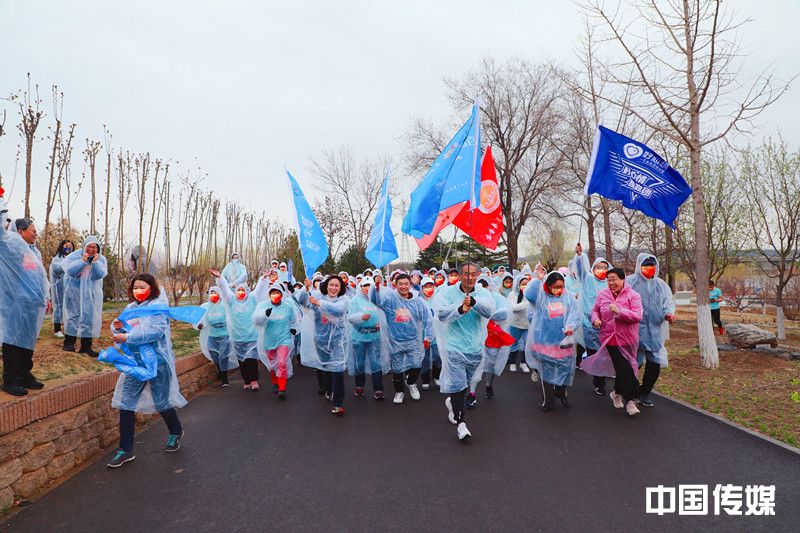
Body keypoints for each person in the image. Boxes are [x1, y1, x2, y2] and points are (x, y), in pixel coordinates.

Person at [106, 274, 186, 468]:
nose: (138, 291)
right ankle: (125, 450)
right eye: (135, 287)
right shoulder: (131, 308)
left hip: (157, 362)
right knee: (126, 403)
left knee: (161, 402)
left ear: (151, 288)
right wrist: (116, 327)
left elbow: (155, 331)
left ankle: (175, 431)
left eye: (142, 287)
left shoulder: (158, 308)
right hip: (136, 363)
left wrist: (128, 337)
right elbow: (121, 328)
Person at [434, 262, 496, 440]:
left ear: (477, 275)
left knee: (465, 385)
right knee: (458, 384)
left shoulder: (483, 292)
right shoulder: (448, 293)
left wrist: (474, 303)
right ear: (460, 275)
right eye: (466, 274)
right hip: (454, 347)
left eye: (473, 274)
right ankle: (461, 424)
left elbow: (489, 311)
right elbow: (441, 315)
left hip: (474, 347)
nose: (470, 277)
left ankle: (453, 402)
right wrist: (460, 309)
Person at [0, 197, 49, 397]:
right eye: (32, 230)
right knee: (13, 340)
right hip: (15, 303)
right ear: (20, 232)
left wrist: (45, 298)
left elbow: (40, 277)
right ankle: (10, 379)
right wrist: (1, 205)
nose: (35, 233)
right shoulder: (9, 244)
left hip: (32, 304)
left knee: (28, 340)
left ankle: (24, 373)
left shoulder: (34, 251)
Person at [580, 268, 644, 417]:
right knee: (624, 369)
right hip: (610, 338)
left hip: (627, 338)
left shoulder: (633, 296)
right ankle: (630, 401)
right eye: (608, 280)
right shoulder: (602, 295)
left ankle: (616, 393)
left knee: (624, 369)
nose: (611, 283)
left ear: (623, 280)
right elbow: (595, 310)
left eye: (614, 279)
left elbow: (637, 316)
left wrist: (620, 311)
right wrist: (595, 319)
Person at [370, 273, 433, 404]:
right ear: (396, 285)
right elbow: (377, 301)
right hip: (395, 341)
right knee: (397, 369)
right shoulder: (391, 299)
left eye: (406, 284)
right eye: (400, 284)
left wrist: (428, 337)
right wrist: (376, 287)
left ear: (410, 285)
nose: (403, 286)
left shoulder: (417, 301)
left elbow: (427, 320)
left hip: (413, 340)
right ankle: (399, 392)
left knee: (417, 364)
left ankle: (411, 383)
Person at [524, 266, 580, 411]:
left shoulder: (568, 296)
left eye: (561, 286)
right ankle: (548, 401)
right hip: (544, 341)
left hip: (563, 341)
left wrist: (571, 326)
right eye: (556, 287)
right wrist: (538, 278)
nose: (559, 289)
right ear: (549, 286)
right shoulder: (541, 296)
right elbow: (529, 295)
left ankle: (562, 394)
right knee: (547, 371)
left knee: (565, 369)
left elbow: (575, 314)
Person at [295, 275, 351, 415]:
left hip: (338, 341)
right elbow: (301, 300)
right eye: (331, 285)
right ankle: (329, 389)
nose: (333, 287)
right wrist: (305, 288)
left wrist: (319, 303)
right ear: (326, 286)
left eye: (336, 285)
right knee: (326, 367)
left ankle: (338, 403)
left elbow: (337, 310)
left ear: (341, 288)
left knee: (337, 369)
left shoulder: (344, 300)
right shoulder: (318, 298)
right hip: (321, 340)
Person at [628, 253, 675, 407]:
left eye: (652, 267)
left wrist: (669, 313)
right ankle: (631, 392)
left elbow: (668, 301)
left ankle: (644, 393)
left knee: (655, 362)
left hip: (655, 328)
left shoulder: (661, 285)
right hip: (635, 327)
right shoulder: (630, 282)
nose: (649, 270)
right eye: (646, 266)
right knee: (635, 362)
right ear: (639, 266)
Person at [209, 268, 267, 390]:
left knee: (251, 359)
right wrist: (220, 278)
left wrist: (263, 278)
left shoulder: (252, 299)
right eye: (238, 290)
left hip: (251, 335)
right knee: (242, 361)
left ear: (247, 291)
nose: (240, 292)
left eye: (242, 290)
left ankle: (254, 380)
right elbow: (224, 289)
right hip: (237, 337)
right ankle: (246, 380)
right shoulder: (231, 301)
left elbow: (259, 289)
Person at [573, 243, 612, 395]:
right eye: (598, 267)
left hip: (607, 325)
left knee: (605, 353)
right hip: (590, 325)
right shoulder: (587, 279)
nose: (601, 270)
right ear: (594, 268)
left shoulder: (610, 283)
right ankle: (599, 382)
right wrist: (579, 256)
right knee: (594, 353)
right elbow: (581, 269)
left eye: (604, 267)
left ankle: (601, 376)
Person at [467, 275, 513, 404]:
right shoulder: (471, 298)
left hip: (492, 338)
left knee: (490, 365)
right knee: (474, 364)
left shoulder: (496, 298)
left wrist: (490, 315)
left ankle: (488, 385)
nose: (483, 287)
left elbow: (506, 312)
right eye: (480, 284)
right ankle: (472, 393)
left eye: (485, 284)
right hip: (475, 337)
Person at [62, 236, 107, 357]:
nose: (91, 249)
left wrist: (95, 262)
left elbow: (100, 274)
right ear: (84, 246)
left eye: (94, 247)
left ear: (98, 249)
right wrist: (83, 261)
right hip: (74, 291)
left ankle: (86, 347)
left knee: (89, 317)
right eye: (89, 246)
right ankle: (69, 343)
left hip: (91, 293)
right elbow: (70, 272)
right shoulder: (75, 256)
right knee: (74, 315)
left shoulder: (100, 259)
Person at [253, 284, 297, 399]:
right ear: (269, 295)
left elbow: (293, 320)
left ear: (282, 294)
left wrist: (293, 328)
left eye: (277, 293)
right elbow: (256, 321)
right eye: (273, 293)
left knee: (282, 362)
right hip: (269, 339)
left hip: (284, 338)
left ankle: (282, 389)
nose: (275, 295)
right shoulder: (263, 306)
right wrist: (264, 314)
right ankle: (275, 382)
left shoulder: (288, 307)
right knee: (273, 364)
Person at [347, 279, 386, 399]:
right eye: (365, 285)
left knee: (376, 362)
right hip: (359, 336)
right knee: (359, 363)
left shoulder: (378, 299)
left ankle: (378, 389)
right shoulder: (354, 300)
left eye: (370, 285)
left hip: (375, 336)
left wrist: (382, 324)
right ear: (360, 287)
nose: (367, 288)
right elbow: (350, 317)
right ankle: (359, 387)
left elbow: (385, 314)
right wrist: (361, 317)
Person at [197, 286, 238, 387]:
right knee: (214, 355)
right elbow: (200, 320)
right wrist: (200, 325)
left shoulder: (225, 305)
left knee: (223, 356)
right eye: (211, 293)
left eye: (215, 292)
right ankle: (221, 371)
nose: (213, 295)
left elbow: (232, 316)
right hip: (212, 335)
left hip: (225, 335)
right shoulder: (205, 307)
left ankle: (224, 379)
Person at [418, 277, 442, 389]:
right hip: (423, 335)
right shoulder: (418, 301)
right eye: (426, 287)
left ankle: (437, 376)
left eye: (430, 286)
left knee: (437, 357)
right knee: (425, 358)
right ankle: (425, 379)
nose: (428, 289)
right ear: (422, 288)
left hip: (437, 334)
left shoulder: (438, 299)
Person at [506, 274, 532, 373]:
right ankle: (512, 363)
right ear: (518, 284)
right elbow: (513, 308)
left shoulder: (529, 295)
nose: (525, 286)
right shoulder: (512, 295)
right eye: (523, 284)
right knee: (514, 343)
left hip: (527, 324)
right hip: (515, 323)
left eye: (527, 284)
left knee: (527, 344)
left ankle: (523, 363)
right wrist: (526, 303)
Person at [49, 239, 74, 338]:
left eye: (70, 247)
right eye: (66, 246)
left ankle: (69, 328)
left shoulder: (73, 258)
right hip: (59, 287)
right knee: (59, 307)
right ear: (61, 247)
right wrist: (67, 262)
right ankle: (57, 329)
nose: (68, 248)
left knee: (71, 307)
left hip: (71, 287)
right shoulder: (57, 259)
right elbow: (57, 269)